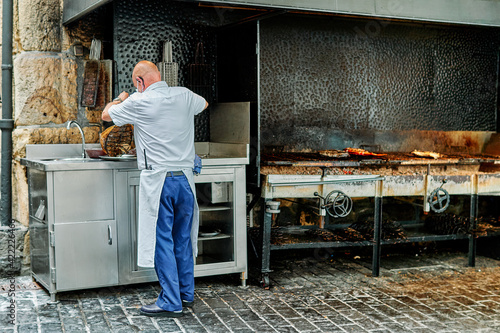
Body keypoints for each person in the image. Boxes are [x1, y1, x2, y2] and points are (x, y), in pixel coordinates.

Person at [102, 60, 208, 317]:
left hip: (160, 181)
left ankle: (170, 301)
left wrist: (121, 97)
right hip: (185, 180)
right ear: (159, 76)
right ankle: (185, 293)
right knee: (182, 239)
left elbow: (106, 115)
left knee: (162, 241)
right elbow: (204, 103)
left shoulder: (139, 101)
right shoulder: (184, 95)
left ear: (140, 82)